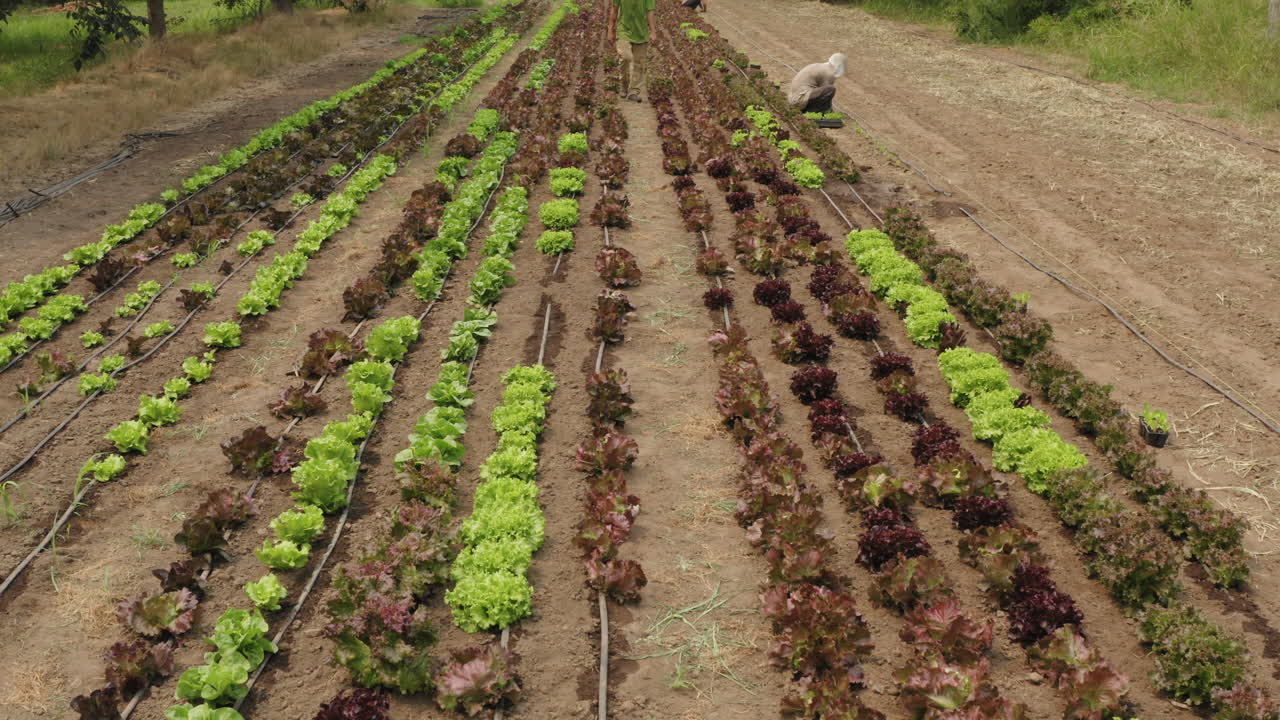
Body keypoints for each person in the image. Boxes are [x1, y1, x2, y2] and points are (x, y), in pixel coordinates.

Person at [608, 0, 656, 102]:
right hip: (623, 30)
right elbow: (614, 10)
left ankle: (634, 91)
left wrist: (652, 31)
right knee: (625, 56)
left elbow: (650, 12)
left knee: (639, 63)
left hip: (641, 32)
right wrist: (610, 30)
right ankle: (623, 85)